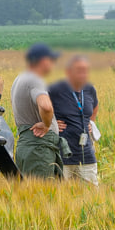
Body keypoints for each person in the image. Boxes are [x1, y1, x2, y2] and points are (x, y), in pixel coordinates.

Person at [11, 43, 70, 179]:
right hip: (39, 148)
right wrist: (46, 124)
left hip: (28, 145)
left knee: (32, 194)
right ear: (43, 61)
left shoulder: (20, 78)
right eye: (51, 60)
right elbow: (46, 106)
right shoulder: (35, 79)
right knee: (42, 193)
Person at [49, 55, 99, 185]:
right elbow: (40, 106)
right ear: (68, 72)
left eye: (86, 70)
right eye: (79, 70)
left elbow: (95, 107)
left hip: (86, 153)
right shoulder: (55, 89)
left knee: (92, 194)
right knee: (61, 195)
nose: (84, 74)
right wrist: (51, 123)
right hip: (63, 153)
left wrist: (90, 123)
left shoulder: (89, 89)